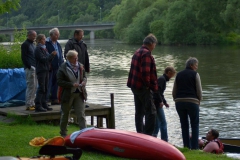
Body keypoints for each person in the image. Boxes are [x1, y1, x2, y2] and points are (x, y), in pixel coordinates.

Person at [127, 34, 158, 136]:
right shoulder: (146, 54)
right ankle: (148, 135)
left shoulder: (137, 52)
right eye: (155, 44)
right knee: (152, 112)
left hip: (135, 86)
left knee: (139, 112)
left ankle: (140, 134)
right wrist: (150, 86)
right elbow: (145, 73)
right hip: (143, 87)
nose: (155, 46)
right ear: (151, 43)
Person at [172, 57, 202, 149]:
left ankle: (186, 146)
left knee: (184, 124)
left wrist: (176, 100)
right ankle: (195, 147)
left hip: (179, 102)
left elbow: (174, 90)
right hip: (192, 102)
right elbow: (199, 90)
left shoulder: (178, 75)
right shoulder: (195, 74)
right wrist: (199, 100)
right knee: (194, 124)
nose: (196, 67)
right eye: (196, 65)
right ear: (191, 65)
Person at [57, 50, 87, 137]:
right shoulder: (63, 67)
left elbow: (84, 76)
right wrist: (71, 84)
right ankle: (63, 133)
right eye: (74, 58)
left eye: (77, 57)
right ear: (69, 59)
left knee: (81, 114)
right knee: (65, 114)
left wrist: (84, 81)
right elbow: (59, 81)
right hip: (67, 94)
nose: (76, 59)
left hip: (79, 93)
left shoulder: (80, 66)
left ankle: (84, 134)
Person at [152, 66, 176, 142]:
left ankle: (153, 137)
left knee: (158, 122)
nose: (171, 77)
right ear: (168, 73)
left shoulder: (162, 79)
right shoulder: (162, 79)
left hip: (156, 102)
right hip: (157, 103)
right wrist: (161, 101)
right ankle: (164, 140)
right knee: (163, 122)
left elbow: (160, 93)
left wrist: (165, 102)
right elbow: (157, 91)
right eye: (172, 75)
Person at [34, 34, 57, 112]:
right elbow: (43, 59)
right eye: (43, 39)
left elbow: (48, 59)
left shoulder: (44, 48)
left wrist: (53, 56)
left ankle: (44, 104)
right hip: (41, 70)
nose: (45, 41)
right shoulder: (38, 49)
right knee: (41, 88)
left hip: (46, 70)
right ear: (40, 40)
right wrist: (51, 55)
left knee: (46, 88)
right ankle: (38, 105)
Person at [45, 28, 64, 105]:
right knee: (48, 84)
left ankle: (54, 98)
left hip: (58, 66)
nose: (57, 36)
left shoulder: (57, 43)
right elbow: (45, 55)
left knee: (56, 83)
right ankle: (45, 100)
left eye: (58, 34)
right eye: (56, 34)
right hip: (50, 67)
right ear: (51, 35)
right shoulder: (46, 43)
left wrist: (62, 63)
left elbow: (60, 54)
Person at [21, 30, 37, 111]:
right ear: (29, 35)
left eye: (35, 36)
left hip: (35, 67)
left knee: (35, 86)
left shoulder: (33, 45)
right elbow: (24, 57)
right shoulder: (25, 44)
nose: (35, 38)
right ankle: (28, 104)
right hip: (29, 68)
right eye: (33, 36)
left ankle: (32, 102)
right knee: (30, 86)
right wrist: (29, 66)